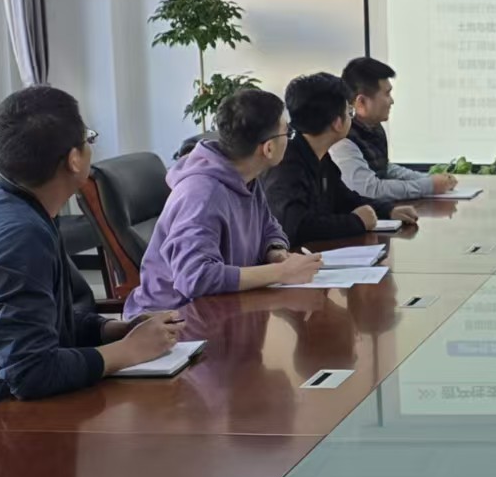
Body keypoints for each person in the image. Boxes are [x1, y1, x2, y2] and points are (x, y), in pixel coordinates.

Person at [0, 86, 184, 438]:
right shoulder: (19, 236)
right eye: (88, 139)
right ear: (74, 160)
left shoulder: (5, 205)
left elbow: (41, 322)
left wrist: (113, 330)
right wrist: (129, 351)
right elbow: (30, 371)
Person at [126, 88, 323, 318]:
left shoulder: (247, 176)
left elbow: (269, 227)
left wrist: (275, 251)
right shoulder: (202, 194)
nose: (289, 139)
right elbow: (195, 278)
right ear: (268, 148)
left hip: (223, 309)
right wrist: (280, 272)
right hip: (175, 321)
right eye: (286, 133)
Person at [266, 72, 420, 248]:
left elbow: (344, 199)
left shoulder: (320, 156)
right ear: (337, 123)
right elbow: (294, 228)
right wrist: (356, 222)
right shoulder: (286, 164)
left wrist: (388, 210)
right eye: (349, 112)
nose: (352, 118)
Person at [332, 56, 456, 202]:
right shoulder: (341, 139)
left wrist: (429, 178)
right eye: (387, 93)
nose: (392, 101)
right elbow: (371, 190)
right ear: (362, 102)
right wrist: (428, 185)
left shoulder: (373, 127)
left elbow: (383, 169)